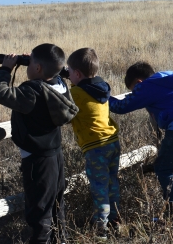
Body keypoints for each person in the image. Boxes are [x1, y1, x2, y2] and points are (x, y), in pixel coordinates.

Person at [0, 44, 78, 244]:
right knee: (56, 205)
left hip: (36, 160)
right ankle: (60, 240)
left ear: (38, 68)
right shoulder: (60, 86)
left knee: (39, 213)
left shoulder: (32, 91)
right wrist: (38, 62)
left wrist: (5, 69)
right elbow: (53, 70)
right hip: (55, 155)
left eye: (30, 62)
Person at [109, 62, 173, 222]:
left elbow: (121, 106)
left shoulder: (147, 86)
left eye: (133, 90)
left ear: (138, 82)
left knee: (166, 169)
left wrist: (103, 96)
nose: (135, 93)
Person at [67, 48, 121, 239]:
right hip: (112, 141)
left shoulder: (75, 93)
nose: (68, 75)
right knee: (112, 183)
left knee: (99, 187)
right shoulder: (102, 88)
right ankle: (116, 222)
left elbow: (62, 107)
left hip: (96, 147)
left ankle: (101, 229)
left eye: (70, 71)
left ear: (78, 74)